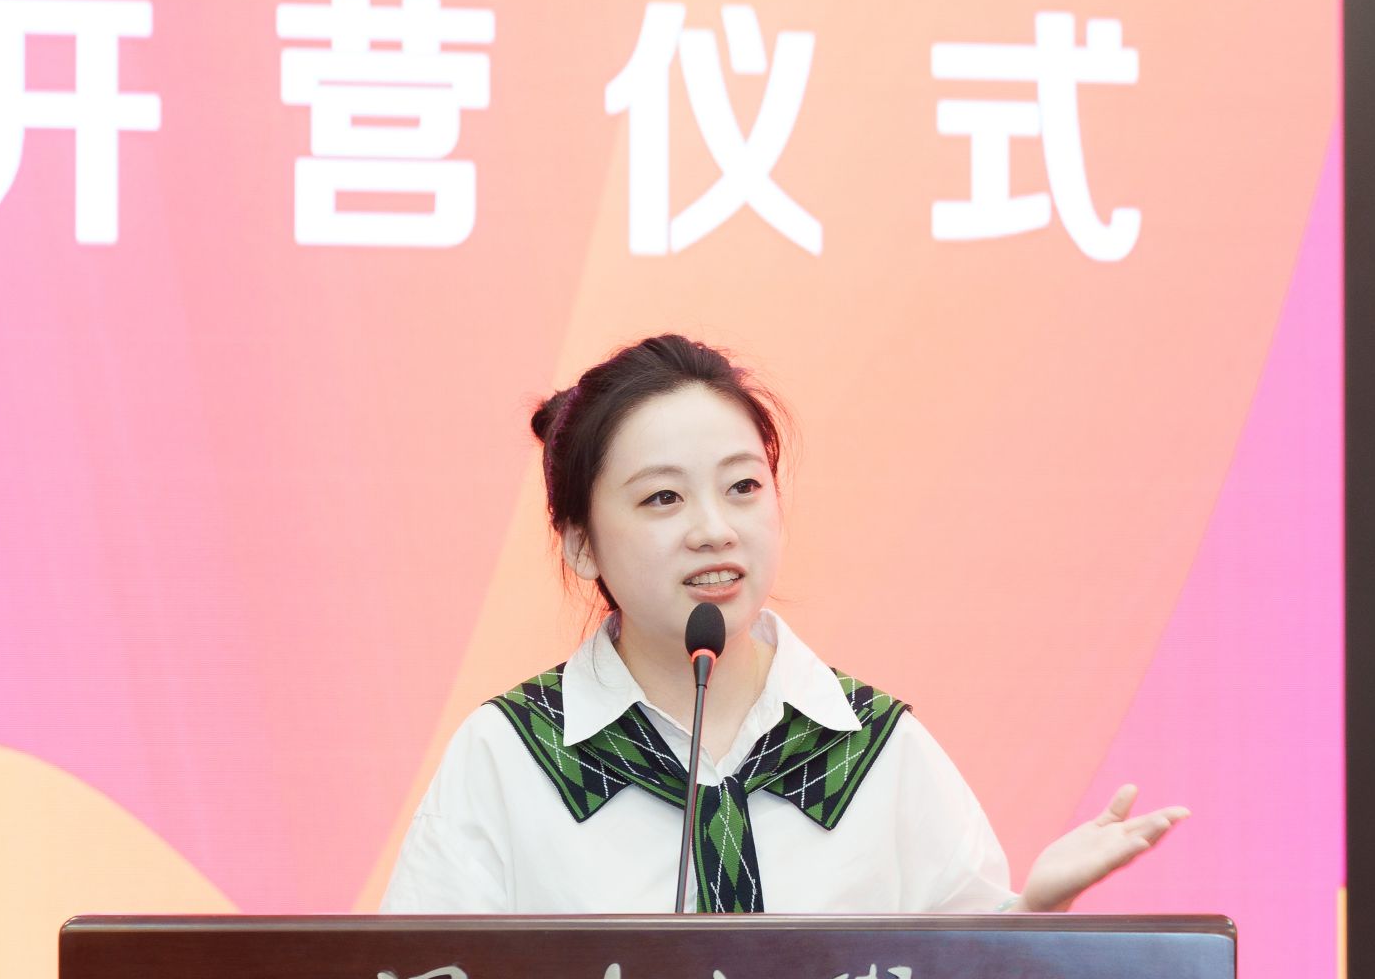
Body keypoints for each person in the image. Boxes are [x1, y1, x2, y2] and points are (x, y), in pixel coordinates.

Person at [379, 334, 1185, 915]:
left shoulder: (875, 749)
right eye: (663, 497)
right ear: (580, 543)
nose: (714, 529)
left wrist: (1035, 916)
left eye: (743, 487)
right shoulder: (508, 758)